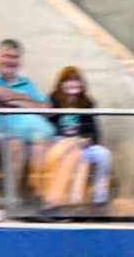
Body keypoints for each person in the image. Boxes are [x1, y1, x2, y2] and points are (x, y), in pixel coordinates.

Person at [0, 39, 52, 208]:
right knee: (16, 143)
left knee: (49, 144)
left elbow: (46, 108)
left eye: (14, 57)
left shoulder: (26, 82)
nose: (10, 61)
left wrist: (12, 101)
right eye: (6, 56)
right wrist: (24, 98)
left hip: (36, 135)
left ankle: (38, 198)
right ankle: (12, 200)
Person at [41, 65, 111, 208]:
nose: (72, 84)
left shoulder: (87, 102)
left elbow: (93, 130)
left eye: (76, 80)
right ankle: (73, 200)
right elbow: (49, 127)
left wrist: (88, 140)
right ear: (61, 84)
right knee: (78, 156)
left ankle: (99, 197)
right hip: (59, 142)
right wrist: (70, 140)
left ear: (81, 83)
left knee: (104, 154)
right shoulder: (53, 100)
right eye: (68, 81)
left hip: (82, 143)